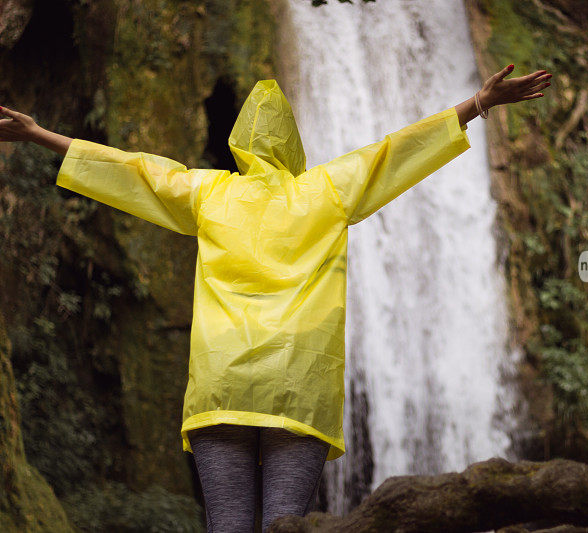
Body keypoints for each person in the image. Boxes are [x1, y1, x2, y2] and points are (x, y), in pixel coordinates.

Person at [0, 64, 552, 531]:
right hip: (298, 391)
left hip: (222, 388)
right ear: (293, 141)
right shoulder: (330, 189)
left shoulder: (207, 191)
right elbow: (397, 150)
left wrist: (39, 134)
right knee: (287, 524)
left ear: (239, 141)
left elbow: (130, 169)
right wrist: (479, 102)